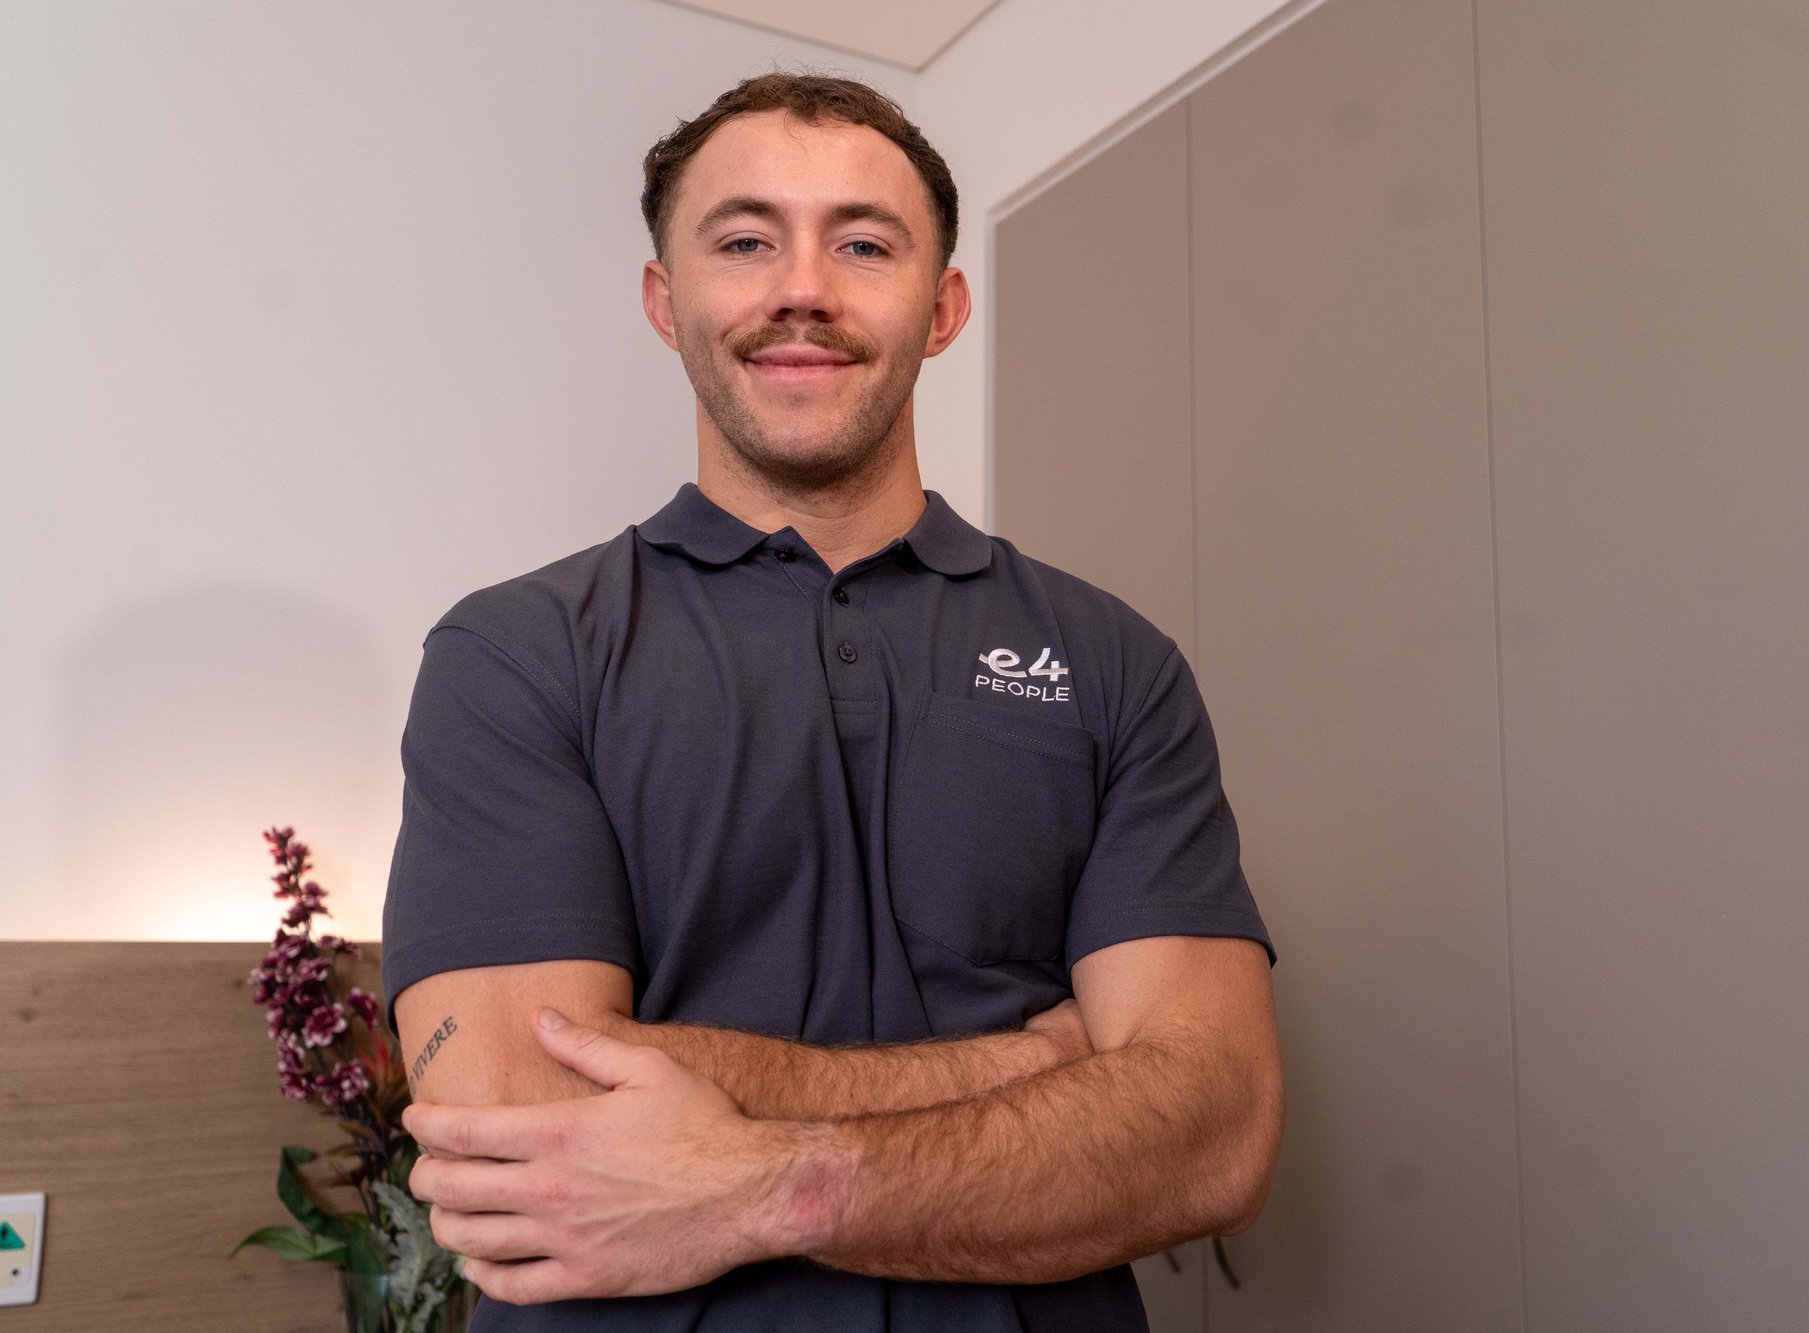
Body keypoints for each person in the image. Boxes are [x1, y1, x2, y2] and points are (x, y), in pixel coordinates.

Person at [380, 70, 1282, 1332]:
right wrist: (1036, 1064)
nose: (802, 286)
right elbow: (519, 1113)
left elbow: (1213, 1133)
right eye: (744, 240)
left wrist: (770, 1183)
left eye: (863, 243)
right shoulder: (519, 651)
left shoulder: (1112, 660)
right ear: (664, 300)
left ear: (942, 307)